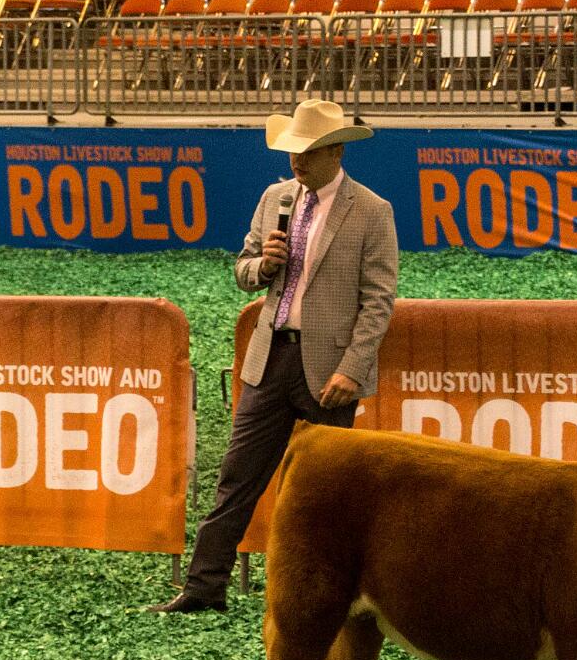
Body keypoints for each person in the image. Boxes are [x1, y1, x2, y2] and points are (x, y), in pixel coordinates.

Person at [154, 98, 400, 614]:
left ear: (336, 152)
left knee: (329, 494)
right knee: (236, 477)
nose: (296, 160)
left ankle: (330, 598)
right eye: (293, 150)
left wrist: (352, 370)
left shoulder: (372, 210)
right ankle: (204, 587)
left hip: (329, 371)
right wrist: (263, 267)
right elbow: (243, 269)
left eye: (307, 151)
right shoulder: (275, 198)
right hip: (269, 359)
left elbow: (378, 301)